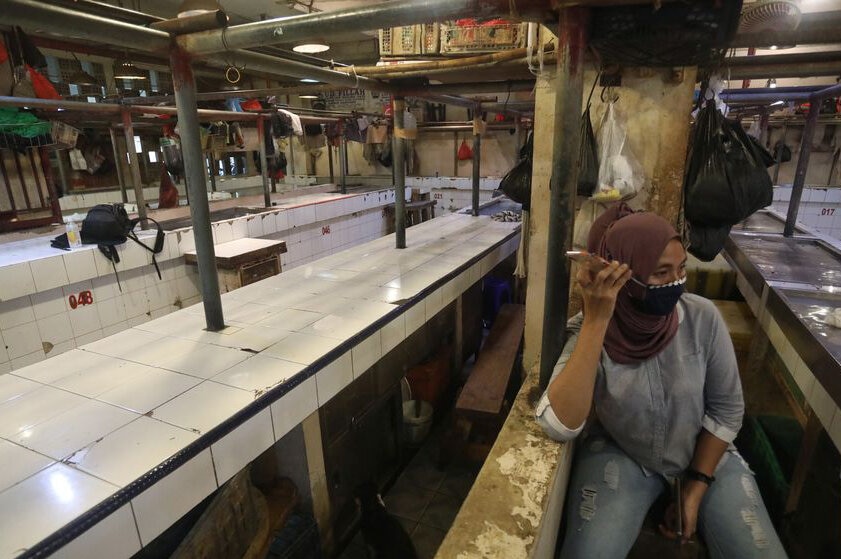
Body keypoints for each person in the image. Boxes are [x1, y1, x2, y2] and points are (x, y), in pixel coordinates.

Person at [536, 204, 787, 559]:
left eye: (681, 268)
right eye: (660, 273)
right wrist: (598, 321)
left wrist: (695, 488)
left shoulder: (701, 318)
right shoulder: (589, 331)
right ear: (622, 274)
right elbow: (558, 424)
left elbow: (727, 409)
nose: (676, 282)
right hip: (624, 453)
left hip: (703, 453)